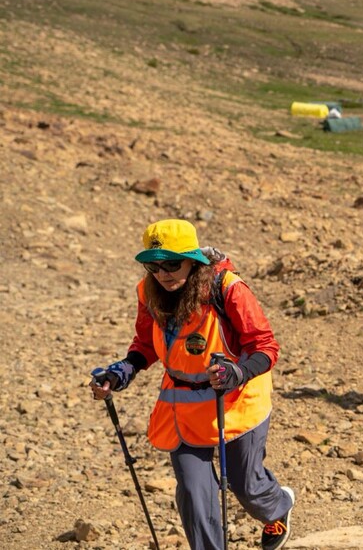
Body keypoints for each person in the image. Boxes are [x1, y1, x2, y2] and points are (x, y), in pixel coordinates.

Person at [89, 220, 294, 550]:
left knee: (246, 485)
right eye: (154, 266)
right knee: (194, 494)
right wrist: (121, 372)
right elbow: (145, 345)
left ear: (193, 260)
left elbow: (265, 346)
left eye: (172, 264)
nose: (163, 274)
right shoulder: (148, 292)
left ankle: (277, 509)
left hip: (236, 399)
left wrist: (238, 373)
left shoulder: (227, 288)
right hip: (182, 407)